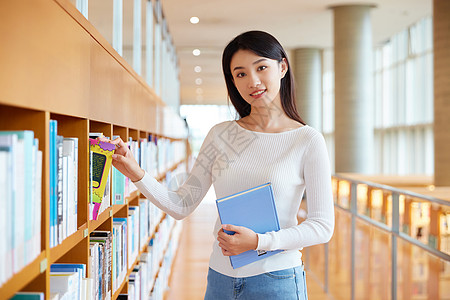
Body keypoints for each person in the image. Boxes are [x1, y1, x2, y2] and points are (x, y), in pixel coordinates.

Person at [104, 30, 334, 300]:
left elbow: (322, 226)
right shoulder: (222, 134)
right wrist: (136, 172)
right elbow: (182, 204)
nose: (253, 81)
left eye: (261, 67)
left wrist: (260, 242)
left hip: (277, 279)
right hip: (221, 279)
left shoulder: (307, 140)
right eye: (240, 73)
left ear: (282, 67)